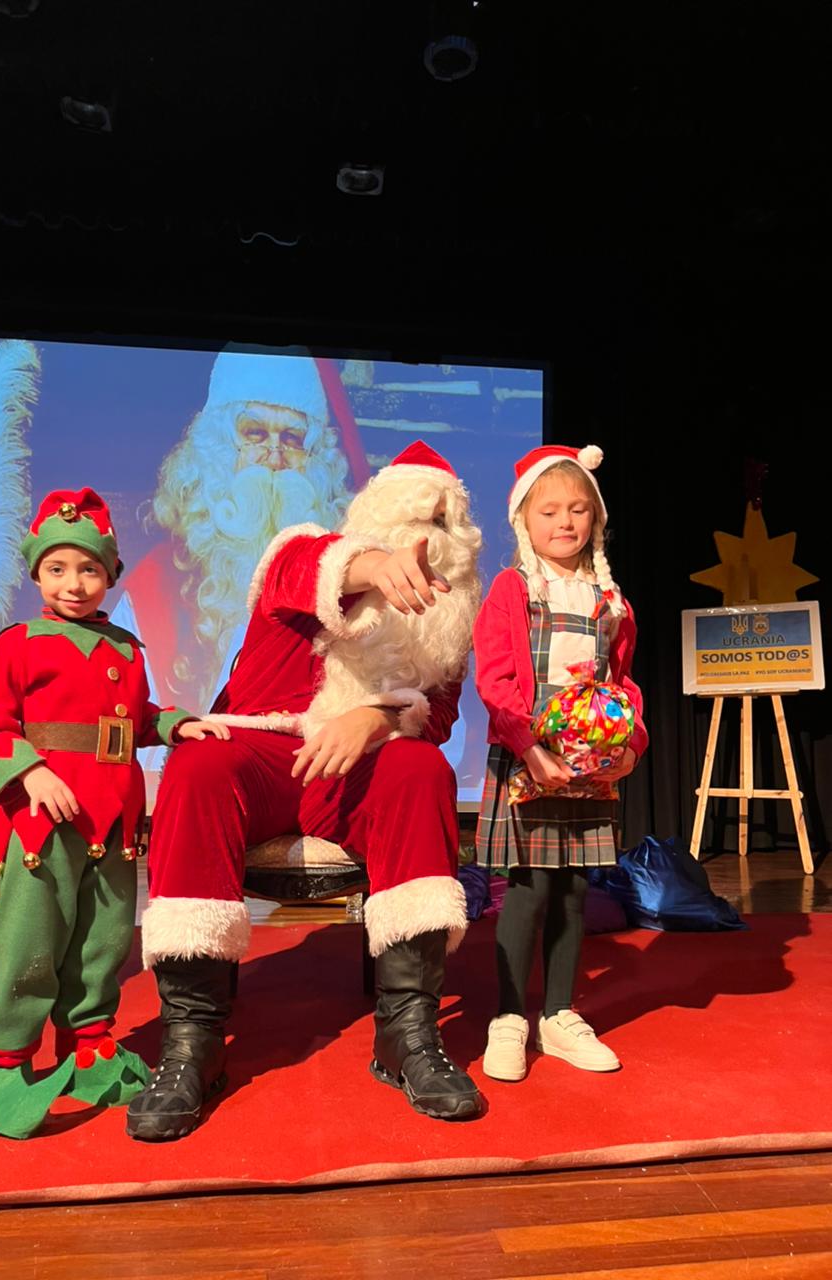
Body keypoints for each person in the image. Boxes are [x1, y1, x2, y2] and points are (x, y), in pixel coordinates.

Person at [126, 441, 484, 1142]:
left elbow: (436, 721)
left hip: (356, 770)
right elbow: (303, 572)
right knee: (197, 765)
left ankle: (406, 1035)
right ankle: (192, 1042)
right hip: (263, 747)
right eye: (412, 521)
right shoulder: (308, 553)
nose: (426, 541)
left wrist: (376, 715)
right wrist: (373, 565)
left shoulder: (446, 625)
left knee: (421, 769)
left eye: (443, 525)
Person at [0, 487, 229, 1139]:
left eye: (89, 569)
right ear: (36, 575)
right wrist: (29, 770)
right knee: (30, 943)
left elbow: (133, 720)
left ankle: (90, 1046)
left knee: (103, 939)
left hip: (113, 822)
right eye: (57, 568)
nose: (74, 583)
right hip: (43, 823)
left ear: (110, 574)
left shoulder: (125, 648)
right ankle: (2, 1064)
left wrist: (176, 725)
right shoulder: (23, 643)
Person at [473, 444, 648, 1081]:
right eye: (550, 511)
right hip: (529, 764)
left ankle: (559, 1016)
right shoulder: (513, 588)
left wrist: (630, 746)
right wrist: (529, 747)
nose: (565, 523)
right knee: (529, 889)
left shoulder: (610, 600)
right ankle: (509, 1018)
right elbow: (494, 679)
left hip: (589, 769)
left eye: (578, 510)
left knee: (574, 893)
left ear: (595, 521)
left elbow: (623, 683)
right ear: (525, 520)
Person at [114, 350, 368, 712]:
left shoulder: (346, 583)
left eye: (293, 439)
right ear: (216, 450)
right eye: (255, 434)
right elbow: (123, 708)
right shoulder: (154, 587)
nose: (275, 455)